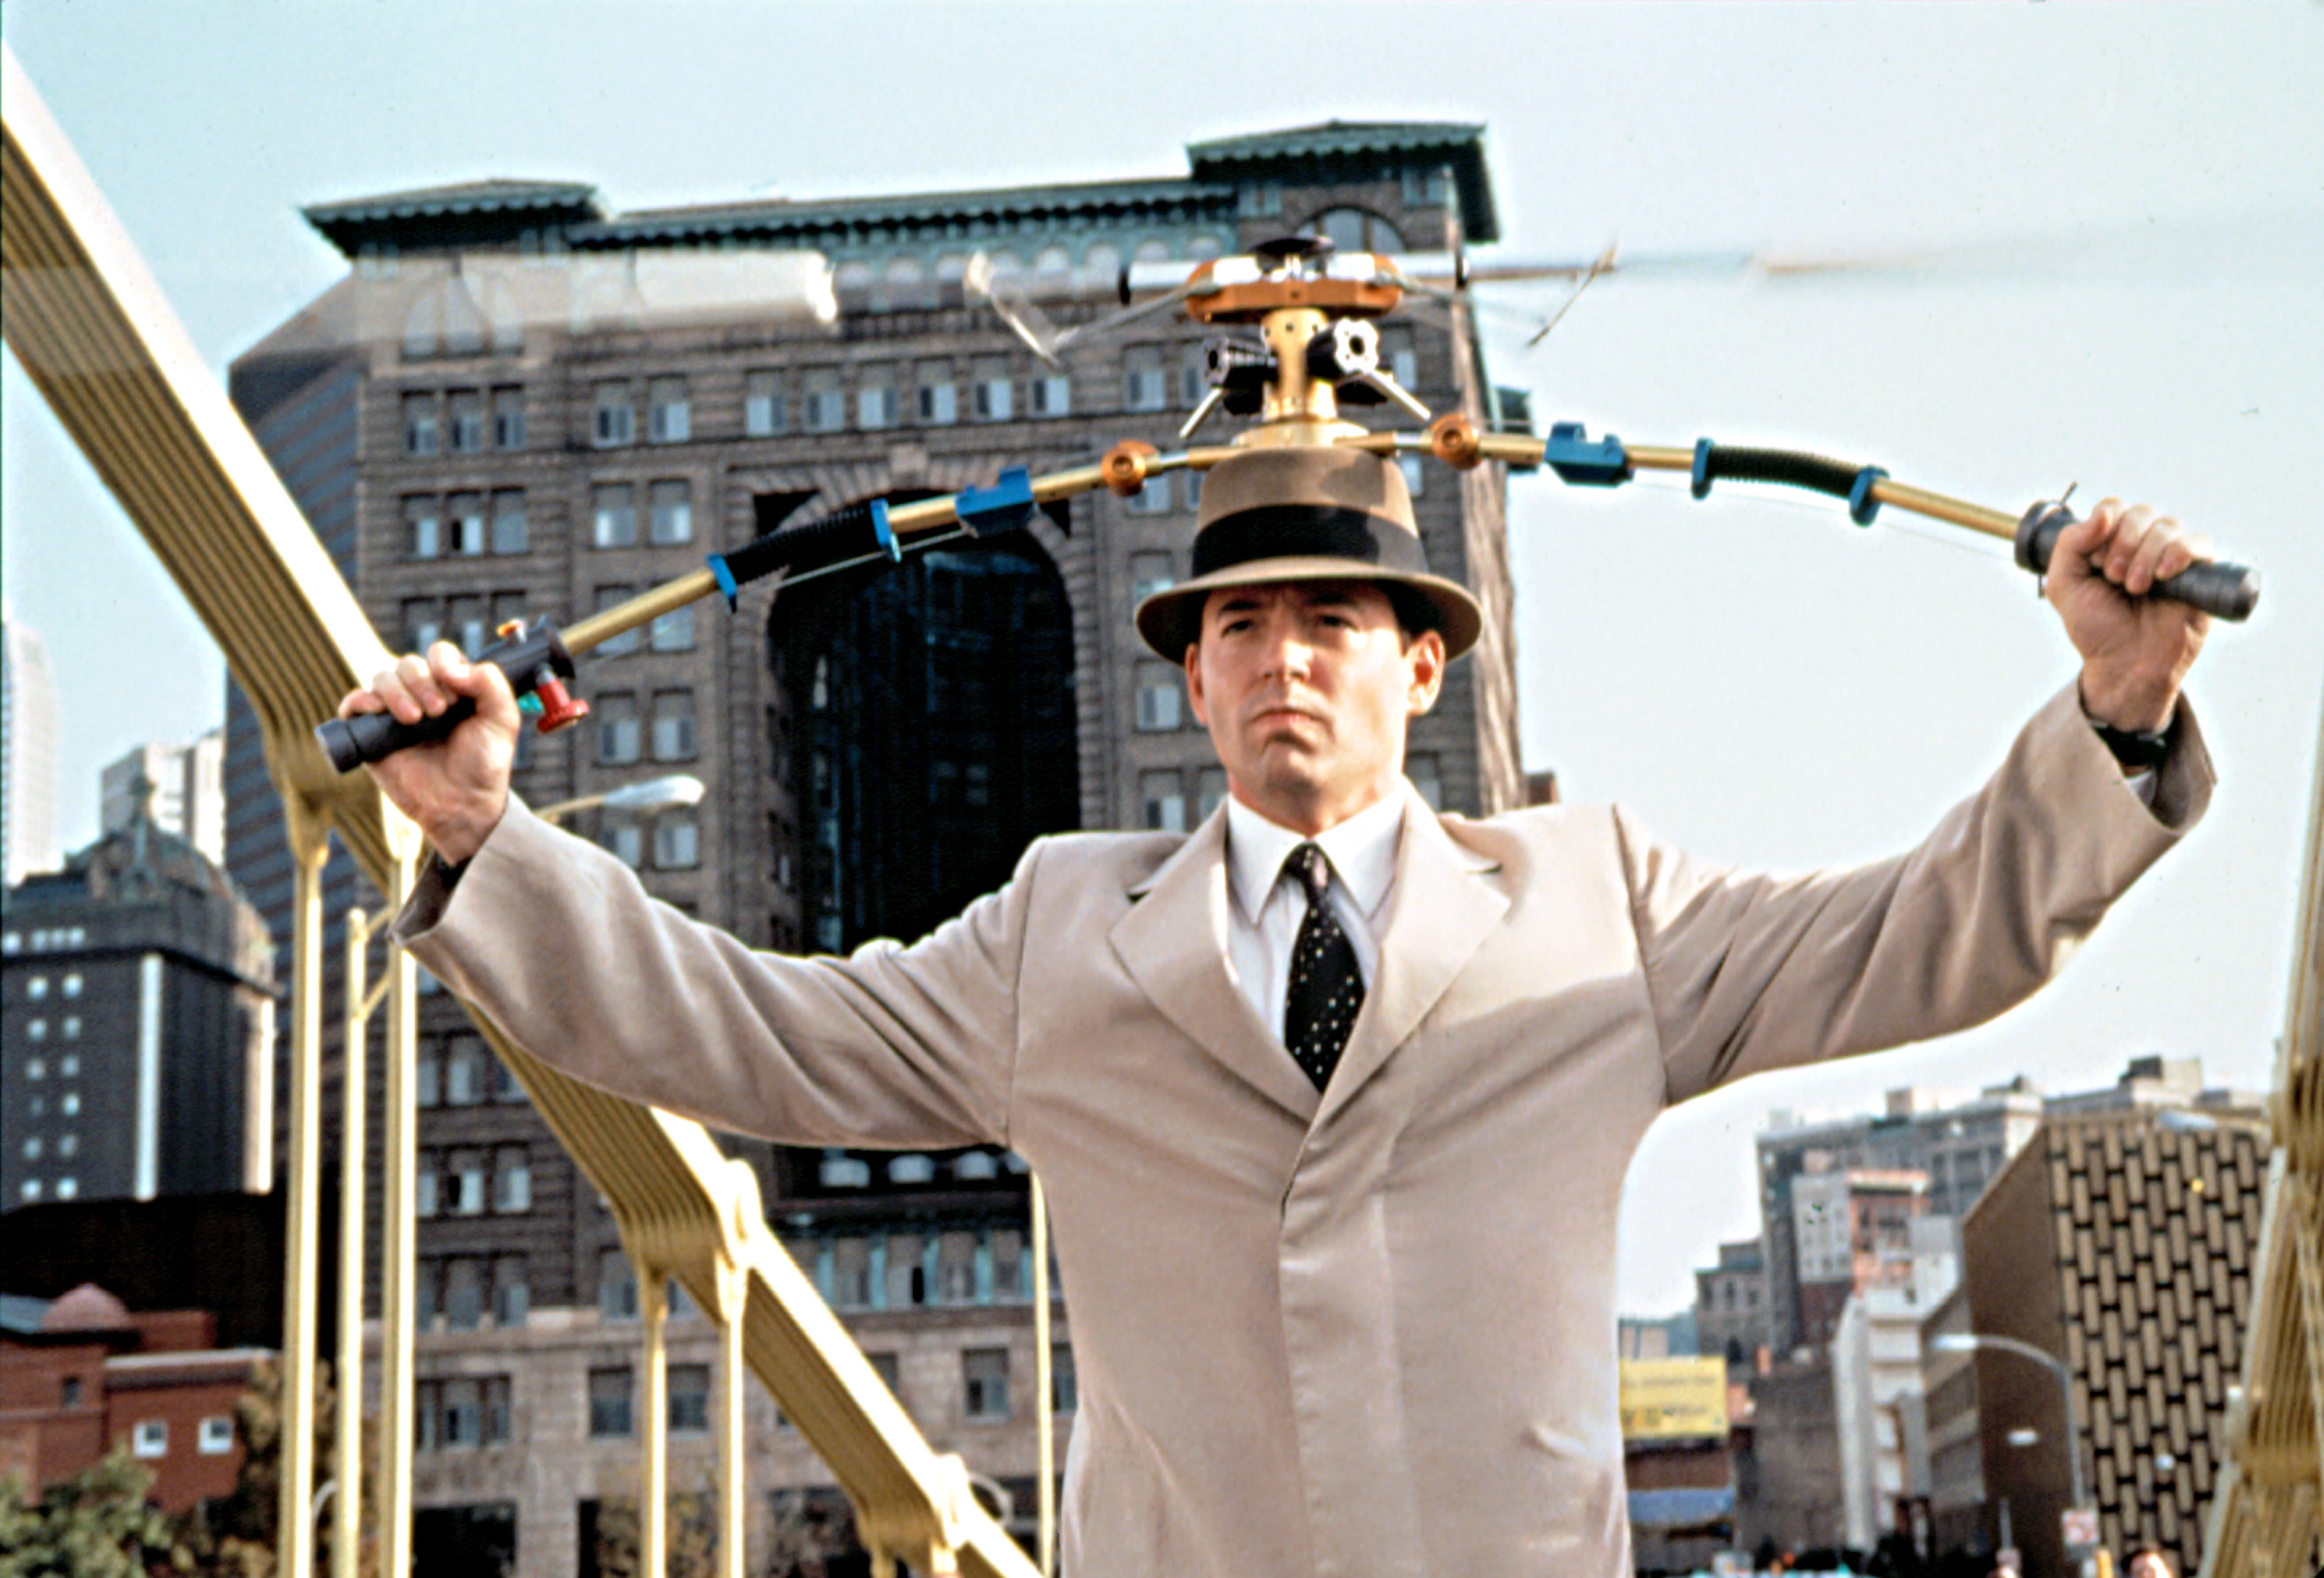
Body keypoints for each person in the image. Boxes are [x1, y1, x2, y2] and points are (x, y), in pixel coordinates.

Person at [348, 445, 2215, 1577]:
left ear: (1420, 662)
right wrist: (481, 836)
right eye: (1237, 625)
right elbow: (745, 1034)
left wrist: (2112, 713)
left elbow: (1931, 933)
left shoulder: (1594, 903)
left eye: (1331, 618)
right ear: (1195, 674)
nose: (1280, 656)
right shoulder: (1058, 931)